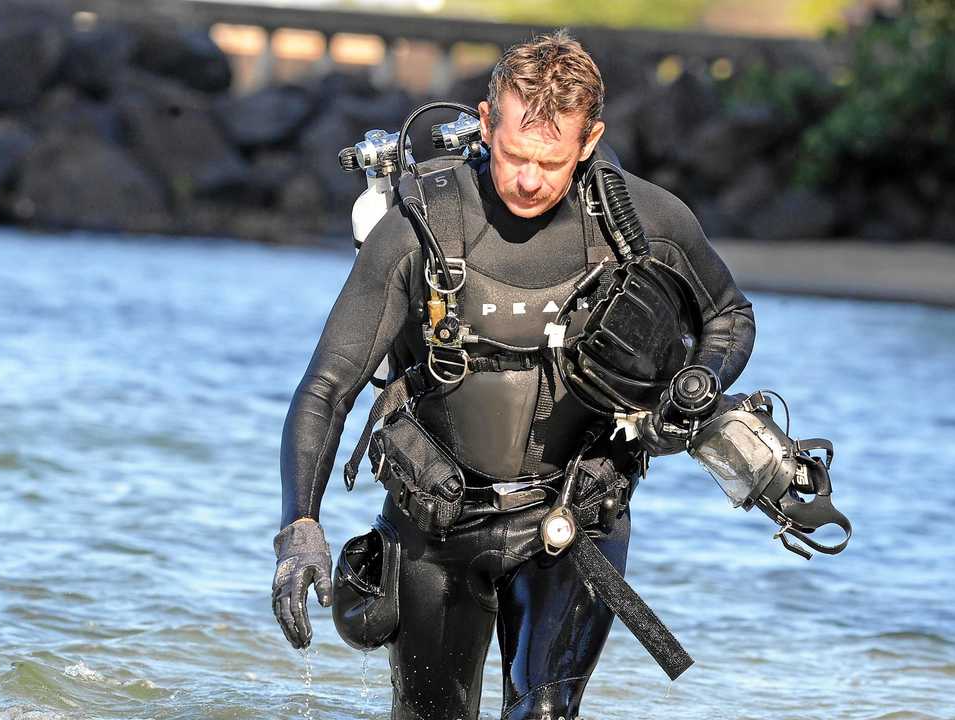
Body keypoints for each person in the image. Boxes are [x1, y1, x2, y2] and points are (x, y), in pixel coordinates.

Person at [272, 30, 756, 720]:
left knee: (546, 712)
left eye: (551, 163)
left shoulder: (645, 221)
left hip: (574, 519)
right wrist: (300, 530)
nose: (528, 180)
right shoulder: (420, 224)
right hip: (434, 528)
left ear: (588, 142)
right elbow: (327, 385)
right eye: (513, 155)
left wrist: (701, 380)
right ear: (486, 120)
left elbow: (730, 315)